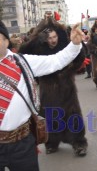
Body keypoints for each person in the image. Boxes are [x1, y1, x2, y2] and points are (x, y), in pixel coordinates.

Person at [0, 20, 83, 170]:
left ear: (6, 41)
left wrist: (75, 45)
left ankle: (77, 141)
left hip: (22, 144)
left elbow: (56, 61)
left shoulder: (23, 62)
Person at [19, 18, 88, 156]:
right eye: (49, 38)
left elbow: (80, 55)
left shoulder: (64, 44)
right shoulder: (38, 48)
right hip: (47, 89)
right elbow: (22, 55)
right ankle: (51, 143)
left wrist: (69, 69)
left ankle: (79, 143)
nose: (53, 40)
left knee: (72, 115)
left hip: (66, 87)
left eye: (55, 36)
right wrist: (36, 40)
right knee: (50, 117)